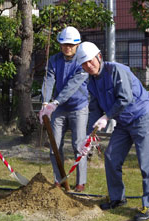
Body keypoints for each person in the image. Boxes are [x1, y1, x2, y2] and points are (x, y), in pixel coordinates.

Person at [76, 41, 149, 221]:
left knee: (147, 162)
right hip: (123, 122)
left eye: (90, 61)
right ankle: (117, 198)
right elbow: (95, 109)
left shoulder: (116, 70)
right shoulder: (91, 83)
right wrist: (89, 136)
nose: (89, 66)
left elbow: (125, 98)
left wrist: (107, 117)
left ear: (99, 57)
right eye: (84, 63)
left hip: (141, 116)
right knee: (112, 157)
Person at [39, 26, 89, 192]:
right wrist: (46, 103)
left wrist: (56, 102)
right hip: (58, 109)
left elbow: (72, 86)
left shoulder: (82, 61)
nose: (67, 47)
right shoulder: (54, 60)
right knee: (55, 146)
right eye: (64, 44)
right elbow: (48, 80)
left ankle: (80, 182)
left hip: (78, 107)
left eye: (71, 45)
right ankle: (59, 179)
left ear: (77, 45)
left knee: (78, 145)